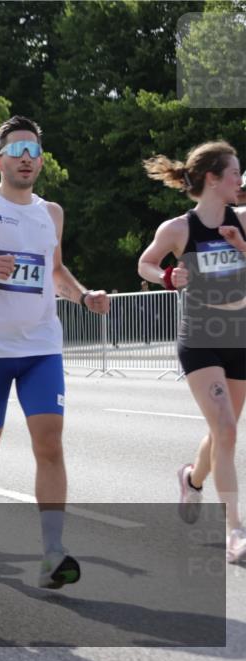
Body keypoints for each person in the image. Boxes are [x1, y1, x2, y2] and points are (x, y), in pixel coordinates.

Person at [0, 115, 110, 589]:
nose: (26, 158)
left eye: (33, 150)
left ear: (42, 161)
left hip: (40, 347)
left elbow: (55, 270)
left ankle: (52, 553)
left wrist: (83, 296)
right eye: (17, 150)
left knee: (49, 444)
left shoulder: (52, 213)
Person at [138, 140, 246, 562]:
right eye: (234, 172)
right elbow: (145, 263)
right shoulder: (179, 228)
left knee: (223, 431)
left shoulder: (243, 221)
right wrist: (167, 276)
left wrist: (241, 246)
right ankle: (235, 530)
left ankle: (192, 479)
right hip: (201, 336)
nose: (240, 180)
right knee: (227, 430)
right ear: (213, 179)